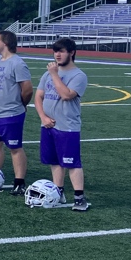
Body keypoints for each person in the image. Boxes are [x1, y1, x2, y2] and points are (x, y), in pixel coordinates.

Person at [34, 38, 90, 211]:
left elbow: (66, 95)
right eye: (55, 51)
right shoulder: (48, 74)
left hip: (67, 126)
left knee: (71, 162)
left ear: (71, 53)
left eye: (62, 51)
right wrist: (43, 117)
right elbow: (38, 96)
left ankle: (79, 198)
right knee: (55, 161)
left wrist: (54, 74)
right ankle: (58, 193)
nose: (57, 55)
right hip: (48, 124)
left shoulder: (78, 75)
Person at [0, 30, 34, 196]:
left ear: (5, 42)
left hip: (11, 113)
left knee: (15, 147)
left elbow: (27, 89)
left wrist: (21, 104)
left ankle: (19, 182)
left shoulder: (17, 63)